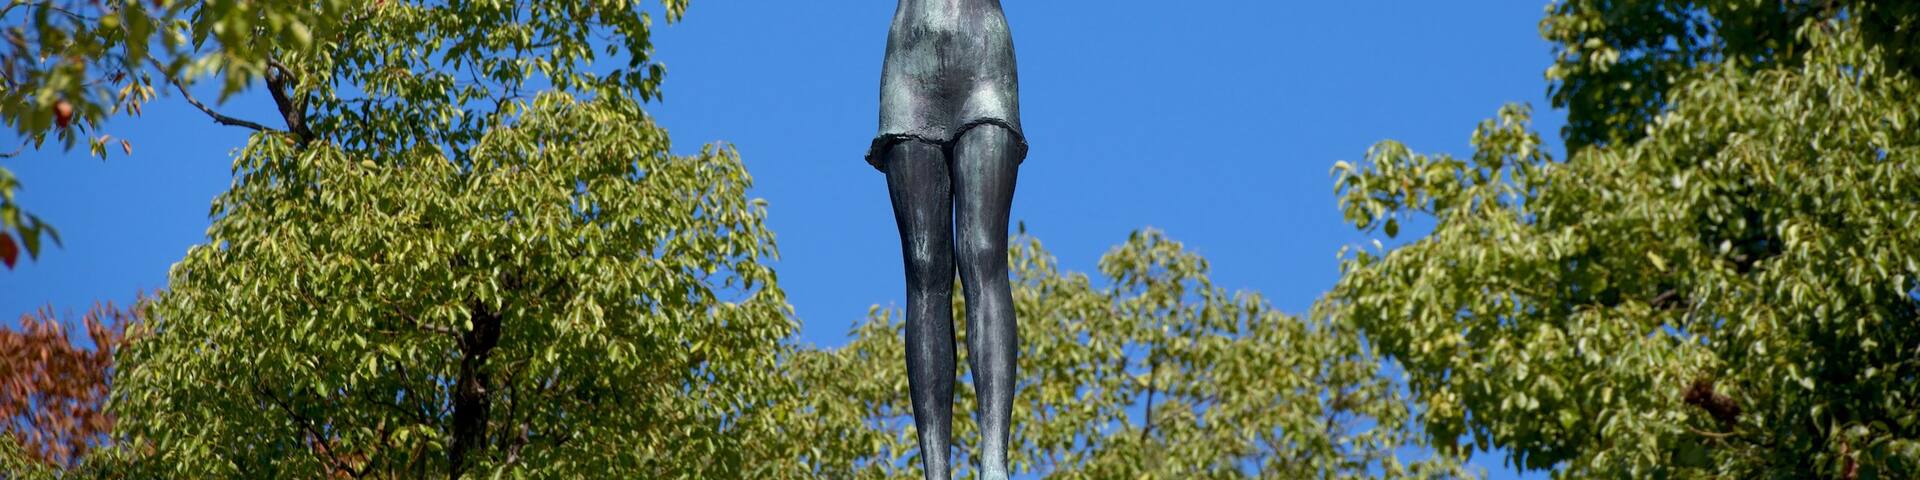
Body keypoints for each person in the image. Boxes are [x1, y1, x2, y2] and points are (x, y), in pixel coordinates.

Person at [867, 0, 1025, 479]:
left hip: (983, 65)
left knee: (982, 253)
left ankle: (993, 458)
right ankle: (936, 468)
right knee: (924, 267)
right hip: (910, 71)